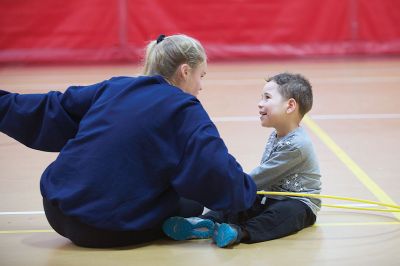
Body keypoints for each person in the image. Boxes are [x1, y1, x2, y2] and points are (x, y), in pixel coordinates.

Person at [0, 34, 257, 248]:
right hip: (108, 229)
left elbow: (51, 107)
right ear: (185, 71)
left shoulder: (114, 86)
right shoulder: (184, 108)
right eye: (202, 75)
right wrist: (248, 190)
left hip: (56, 210)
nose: (201, 86)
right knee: (191, 201)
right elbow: (213, 168)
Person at [163, 72, 322, 248]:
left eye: (267, 98)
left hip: (298, 202)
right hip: (269, 197)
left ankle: (239, 232)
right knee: (243, 202)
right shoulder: (276, 135)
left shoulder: (297, 145)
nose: (260, 103)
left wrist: (231, 185)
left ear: (290, 105)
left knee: (285, 213)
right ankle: (202, 223)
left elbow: (261, 176)